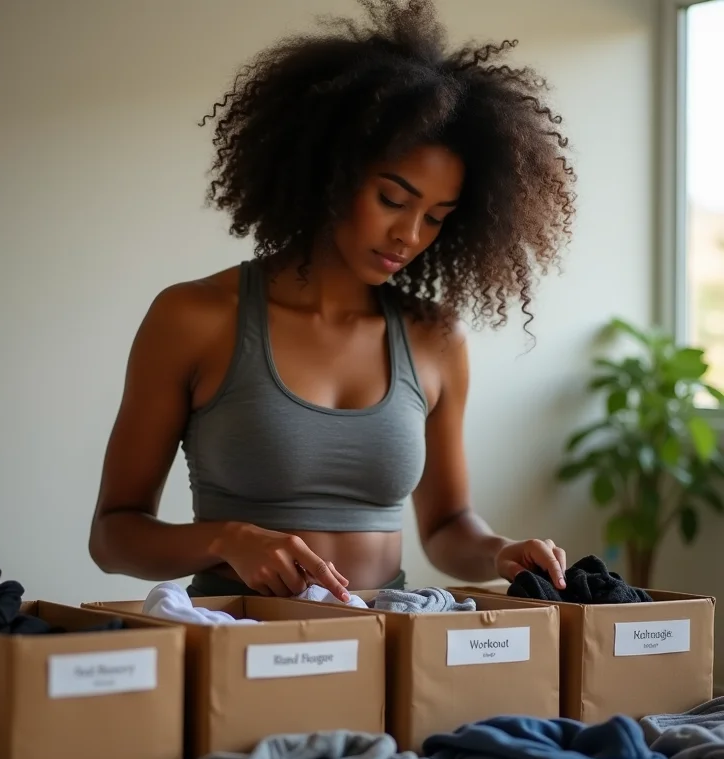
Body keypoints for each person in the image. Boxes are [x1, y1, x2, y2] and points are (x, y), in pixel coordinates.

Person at [88, 0, 576, 602]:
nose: (410, 235)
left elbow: (449, 527)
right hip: (240, 642)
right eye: (393, 200)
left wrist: (500, 551)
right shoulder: (195, 319)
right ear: (331, 173)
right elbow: (114, 535)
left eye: (436, 218)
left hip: (388, 641)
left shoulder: (435, 338)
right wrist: (227, 540)